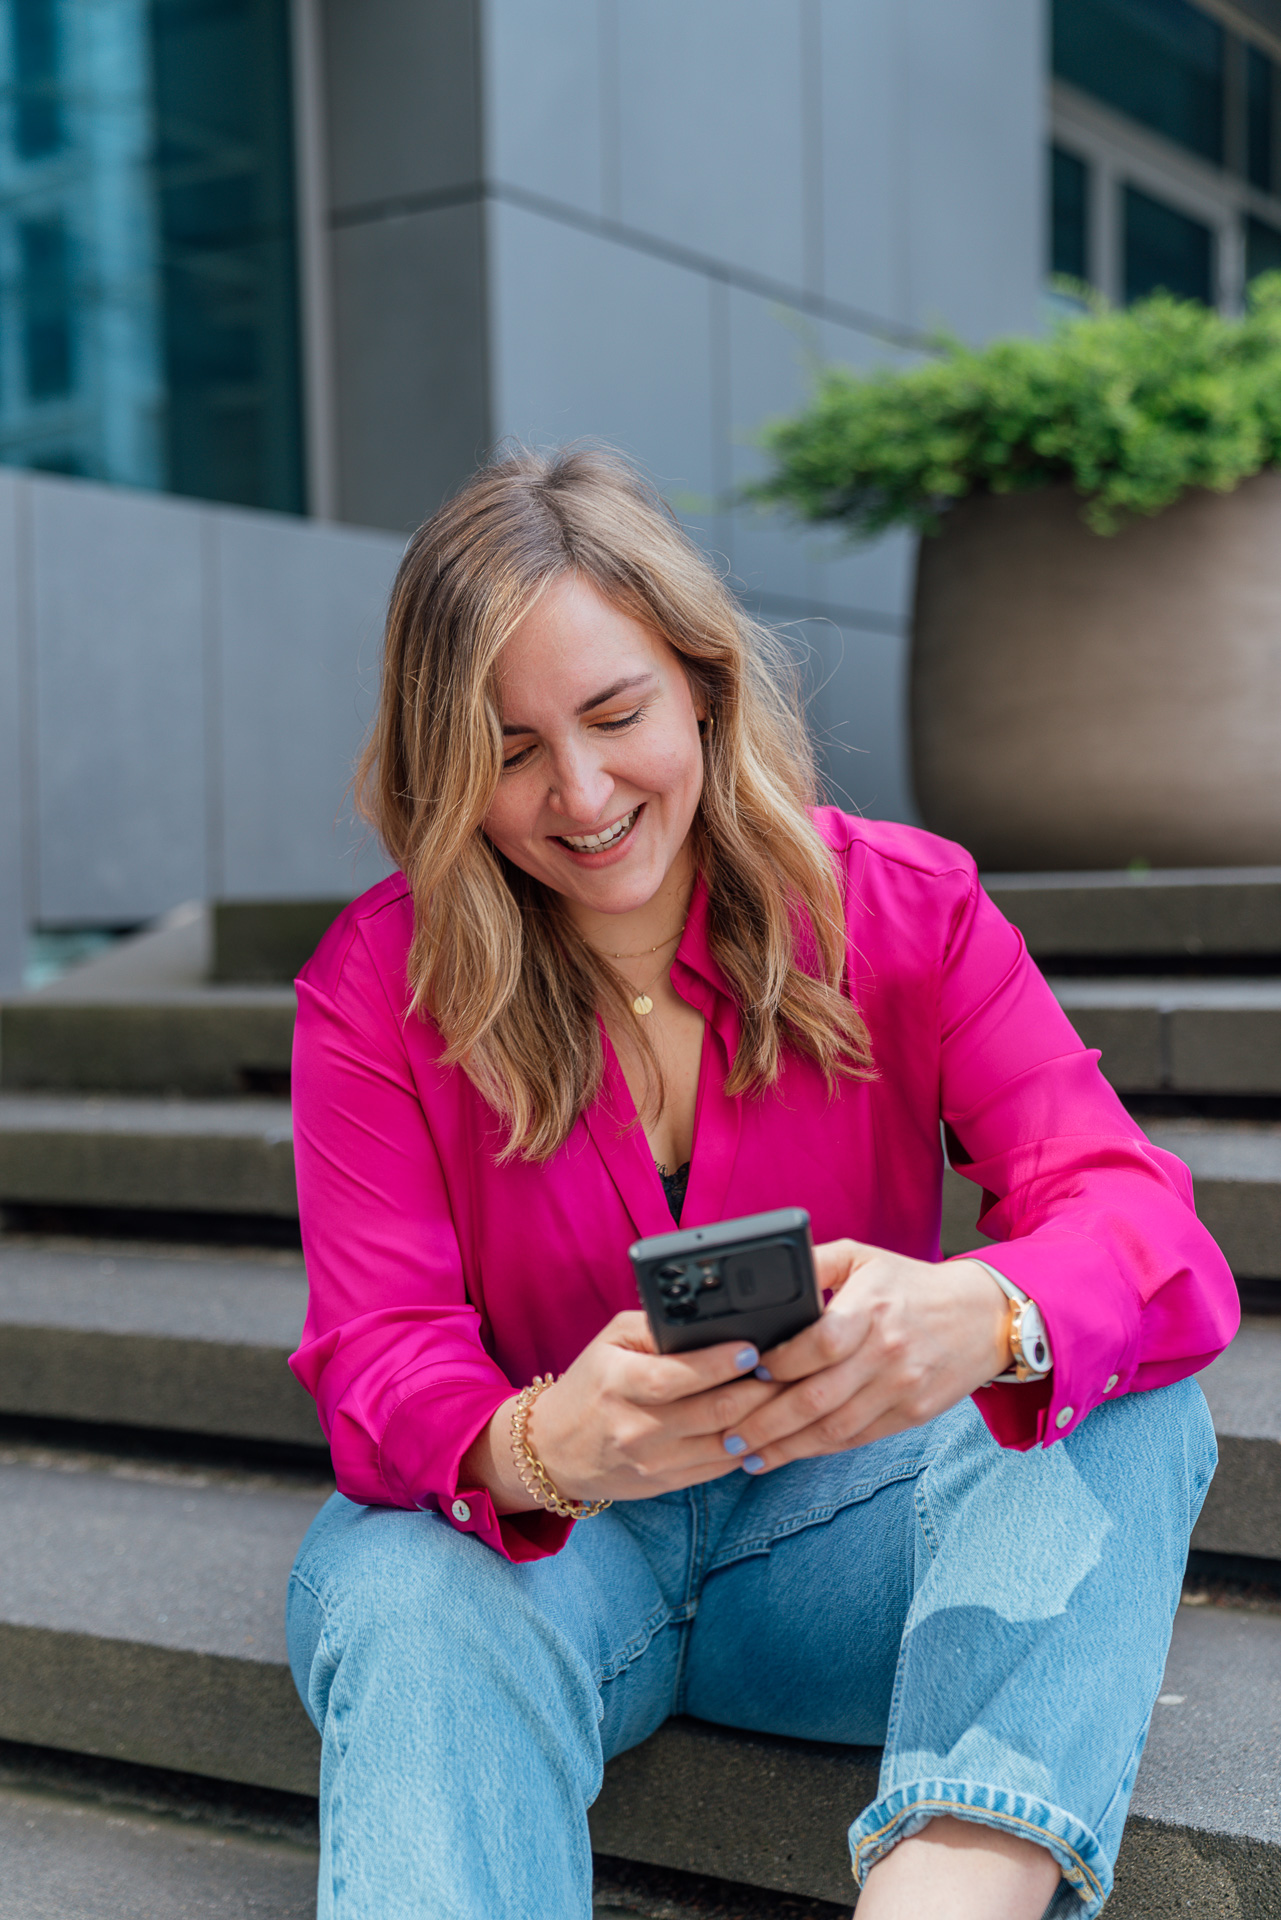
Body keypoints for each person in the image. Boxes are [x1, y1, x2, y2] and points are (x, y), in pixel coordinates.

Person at [285, 447, 1237, 1920]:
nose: (581, 792)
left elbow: (1140, 1227)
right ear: (441, 766)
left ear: (703, 685)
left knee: (1118, 1393)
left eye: (614, 715)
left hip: (832, 1553)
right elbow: (379, 1354)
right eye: (509, 748)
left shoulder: (904, 909)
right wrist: (537, 1443)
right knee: (400, 1592)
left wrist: (980, 1316)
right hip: (549, 1564)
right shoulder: (375, 989)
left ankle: (946, 1892)